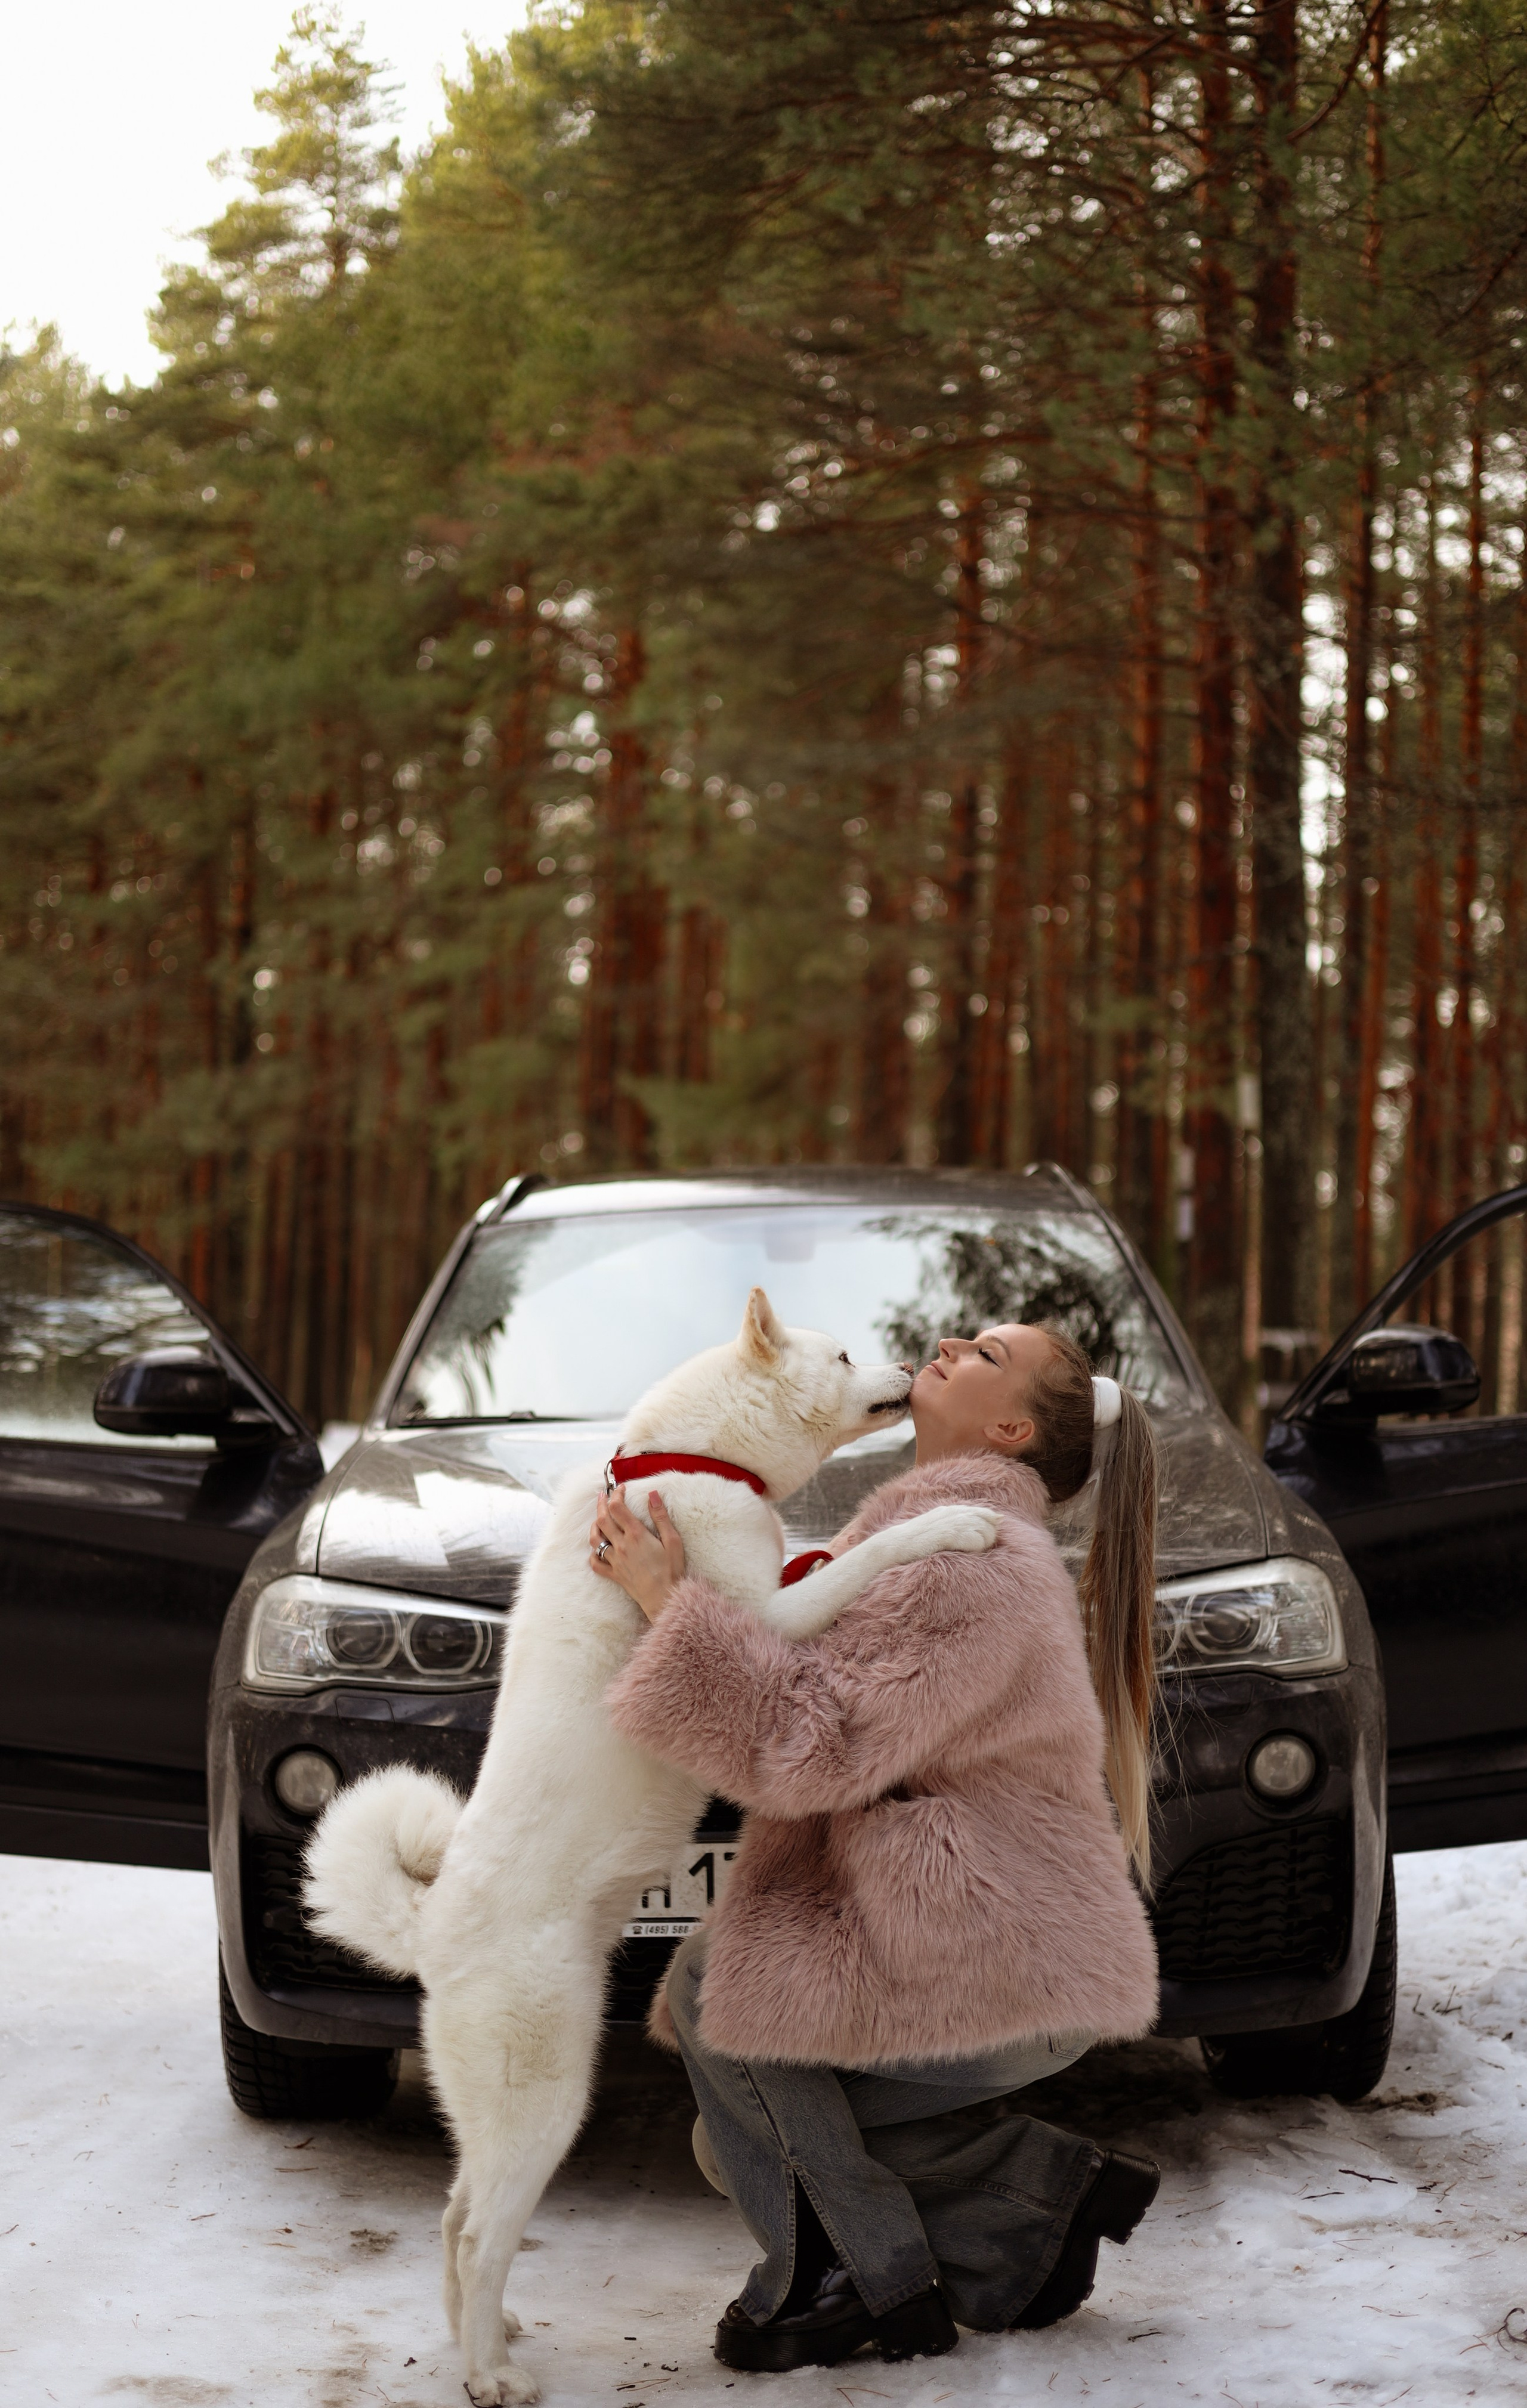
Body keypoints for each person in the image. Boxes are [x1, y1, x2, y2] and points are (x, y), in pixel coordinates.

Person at [589, 1321, 1162, 2373]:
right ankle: (1030, 2209)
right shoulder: (925, 1533)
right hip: (954, 1926)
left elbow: (815, 1748)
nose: (948, 1341)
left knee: (724, 1994)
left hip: (992, 1945)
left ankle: (853, 2272)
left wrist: (672, 1609)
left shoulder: (969, 1562)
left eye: (986, 1352)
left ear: (1010, 1426)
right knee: (740, 2136)